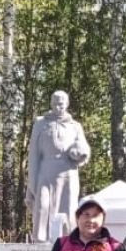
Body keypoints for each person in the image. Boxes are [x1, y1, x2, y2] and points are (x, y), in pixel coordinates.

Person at [27, 90, 91, 242]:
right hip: (45, 171)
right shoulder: (41, 124)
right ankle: (40, 240)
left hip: (68, 171)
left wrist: (79, 152)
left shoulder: (75, 126)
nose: (58, 106)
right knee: (42, 205)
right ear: (51, 103)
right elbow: (33, 154)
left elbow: (84, 147)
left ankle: (69, 240)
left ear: (67, 104)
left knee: (68, 208)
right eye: (55, 103)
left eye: (61, 103)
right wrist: (32, 182)